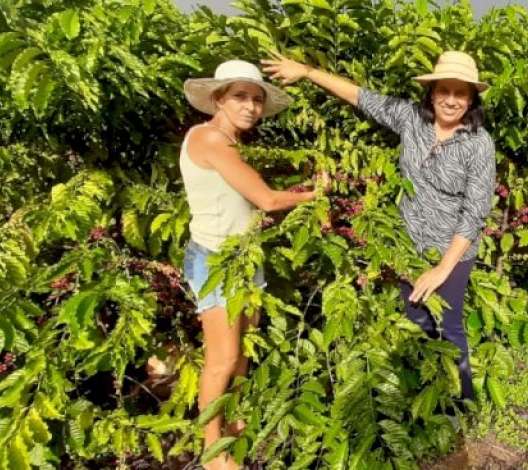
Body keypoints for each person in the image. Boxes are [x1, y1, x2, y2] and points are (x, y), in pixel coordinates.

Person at [262, 51, 496, 402]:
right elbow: (361, 97)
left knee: (448, 328)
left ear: (471, 98)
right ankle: (422, 398)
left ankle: (460, 404)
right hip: (407, 246)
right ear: (431, 93)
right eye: (444, 91)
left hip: (451, 252)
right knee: (415, 322)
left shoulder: (478, 144)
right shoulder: (412, 119)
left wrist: (440, 270)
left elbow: (474, 213)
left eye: (460, 93)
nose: (451, 100)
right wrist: (307, 72)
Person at [181, 60, 327, 470]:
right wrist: (315, 194)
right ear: (218, 98)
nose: (250, 106)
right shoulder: (211, 139)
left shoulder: (227, 141)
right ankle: (213, 452)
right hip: (215, 261)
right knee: (223, 359)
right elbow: (267, 200)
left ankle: (234, 430)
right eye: (240, 96)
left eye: (257, 99)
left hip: (244, 260)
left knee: (243, 352)